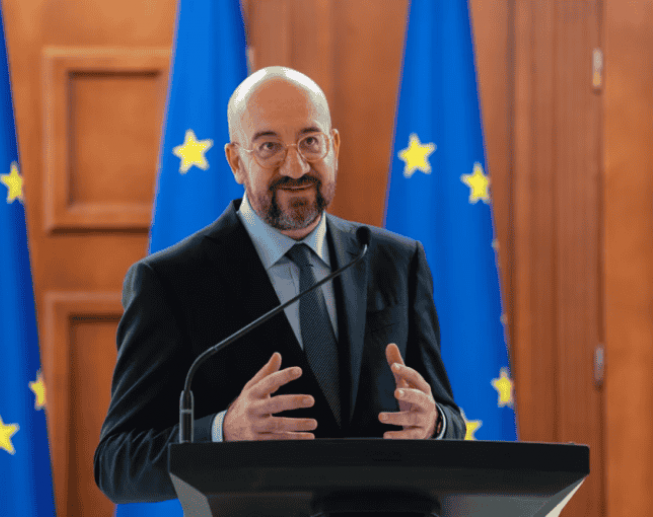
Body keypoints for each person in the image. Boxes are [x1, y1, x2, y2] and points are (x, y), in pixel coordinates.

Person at [94, 66, 466, 504]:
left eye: (310, 141)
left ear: (334, 146)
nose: (296, 166)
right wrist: (223, 431)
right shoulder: (169, 282)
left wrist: (435, 424)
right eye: (269, 146)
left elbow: (448, 417)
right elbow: (118, 464)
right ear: (236, 161)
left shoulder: (396, 260)